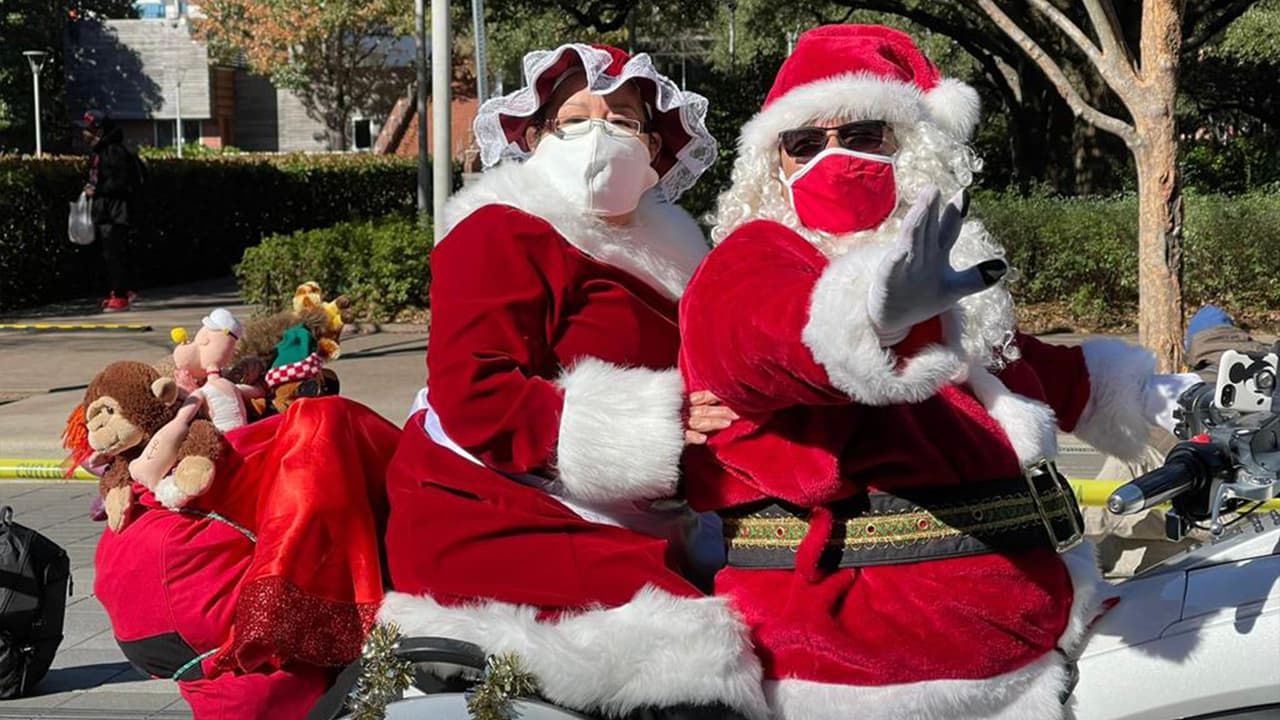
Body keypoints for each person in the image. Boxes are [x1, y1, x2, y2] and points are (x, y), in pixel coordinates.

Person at [677, 25, 1200, 719]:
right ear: (774, 166)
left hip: (1019, 650)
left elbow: (1035, 372)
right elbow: (758, 339)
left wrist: (1176, 400)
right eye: (805, 144)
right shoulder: (756, 257)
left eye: (864, 134)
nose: (834, 157)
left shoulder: (944, 279)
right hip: (864, 670)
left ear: (913, 144)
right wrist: (869, 317)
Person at [377, 43, 768, 720]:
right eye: (575, 118)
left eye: (621, 119)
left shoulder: (677, 259)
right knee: (691, 653)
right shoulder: (500, 232)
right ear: (531, 137)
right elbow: (474, 393)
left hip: (635, 505)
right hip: (495, 508)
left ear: (654, 148)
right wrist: (657, 430)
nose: (599, 136)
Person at [81, 110, 142, 312]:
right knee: (112, 253)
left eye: (90, 129)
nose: (85, 133)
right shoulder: (101, 151)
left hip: (115, 212)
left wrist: (96, 190)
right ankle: (121, 290)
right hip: (107, 210)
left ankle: (121, 295)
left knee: (114, 253)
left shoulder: (113, 152)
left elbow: (120, 183)